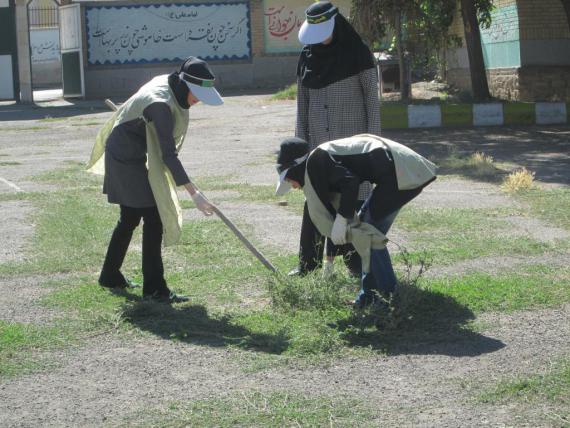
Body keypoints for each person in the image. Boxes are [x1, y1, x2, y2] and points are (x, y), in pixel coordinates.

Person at [86, 57, 223, 303]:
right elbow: (167, 155)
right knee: (152, 216)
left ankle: (109, 275)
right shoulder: (160, 104)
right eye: (196, 93)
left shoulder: (170, 84)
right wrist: (194, 193)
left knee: (130, 217)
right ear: (184, 85)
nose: (199, 99)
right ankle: (154, 288)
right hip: (124, 158)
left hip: (134, 153)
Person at [275, 134, 437, 308]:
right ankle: (368, 297)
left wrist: (342, 218)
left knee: (368, 235)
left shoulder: (317, 161)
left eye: (289, 179)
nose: (292, 186)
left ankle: (389, 297)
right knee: (365, 232)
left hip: (402, 172)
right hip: (400, 171)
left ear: (295, 167)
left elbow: (350, 182)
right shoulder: (317, 161)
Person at [293, 1, 382, 278]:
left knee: (354, 203)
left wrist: (375, 147)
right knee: (316, 203)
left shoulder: (359, 54)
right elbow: (302, 108)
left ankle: (356, 263)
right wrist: (300, 153)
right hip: (320, 148)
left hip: (354, 147)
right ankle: (308, 264)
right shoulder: (307, 58)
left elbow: (372, 103)